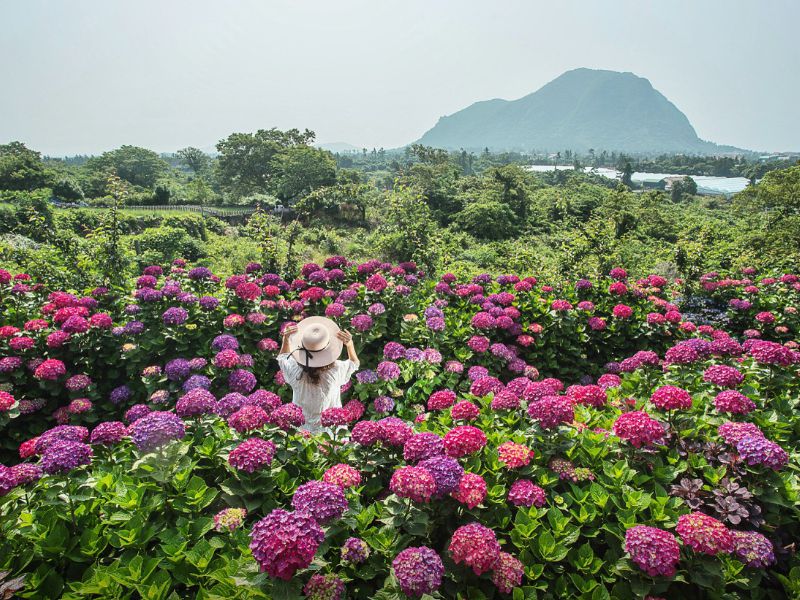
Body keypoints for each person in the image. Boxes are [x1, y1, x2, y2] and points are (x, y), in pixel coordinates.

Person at [277, 316, 359, 432]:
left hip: (302, 432)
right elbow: (354, 363)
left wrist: (286, 339)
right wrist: (350, 345)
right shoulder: (336, 370)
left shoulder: (295, 372)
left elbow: (283, 358)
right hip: (330, 433)